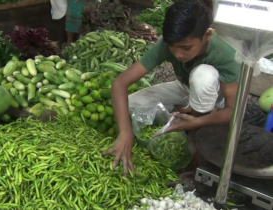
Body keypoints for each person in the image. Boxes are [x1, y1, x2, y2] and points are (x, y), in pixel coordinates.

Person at [102, 0, 240, 178]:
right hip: (184, 86)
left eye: (186, 48)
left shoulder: (225, 53)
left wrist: (197, 123)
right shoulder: (169, 44)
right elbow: (120, 83)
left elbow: (233, 110)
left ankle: (196, 126)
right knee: (132, 105)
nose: (178, 54)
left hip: (215, 96)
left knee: (203, 76)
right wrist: (125, 133)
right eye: (172, 48)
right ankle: (179, 117)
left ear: (206, 35)